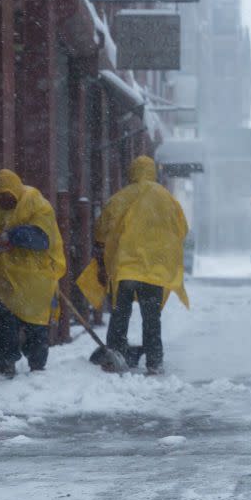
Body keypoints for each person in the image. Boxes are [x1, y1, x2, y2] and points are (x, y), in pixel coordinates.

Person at [94, 155, 189, 375]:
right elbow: (181, 229)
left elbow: (102, 229)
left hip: (126, 269)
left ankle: (115, 356)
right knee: (151, 318)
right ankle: (154, 361)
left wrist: (104, 253)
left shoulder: (123, 197)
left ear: (132, 172)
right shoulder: (167, 199)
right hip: (154, 271)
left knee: (120, 314)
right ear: (153, 171)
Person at [0, 169, 66, 377]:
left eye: (5, 196)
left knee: (36, 323)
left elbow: (42, 239)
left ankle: (37, 366)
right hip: (7, 276)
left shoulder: (38, 205)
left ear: (15, 192)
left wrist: (12, 235)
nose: (1, 200)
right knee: (4, 319)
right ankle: (7, 362)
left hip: (36, 277)